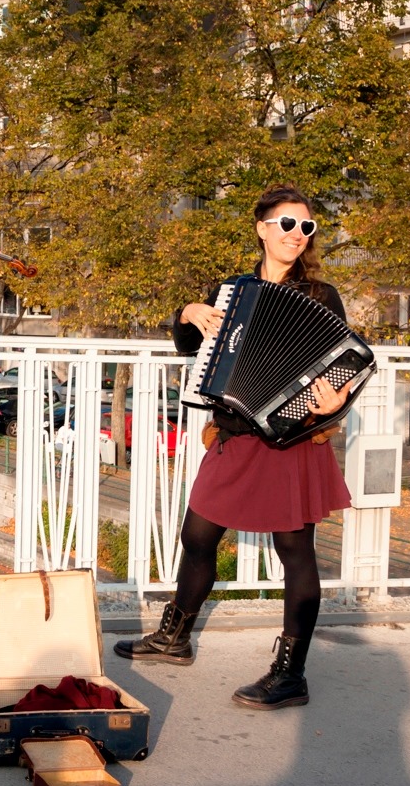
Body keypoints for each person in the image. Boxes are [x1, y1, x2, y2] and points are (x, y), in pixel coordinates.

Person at [115, 184, 356, 709]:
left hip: (293, 437)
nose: (297, 235)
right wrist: (186, 313)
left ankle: (290, 674)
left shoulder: (321, 296)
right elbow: (189, 346)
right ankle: (174, 638)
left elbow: (346, 365)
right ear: (262, 229)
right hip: (234, 432)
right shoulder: (232, 291)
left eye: (306, 227)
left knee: (295, 552)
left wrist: (331, 399)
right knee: (197, 534)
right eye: (287, 225)